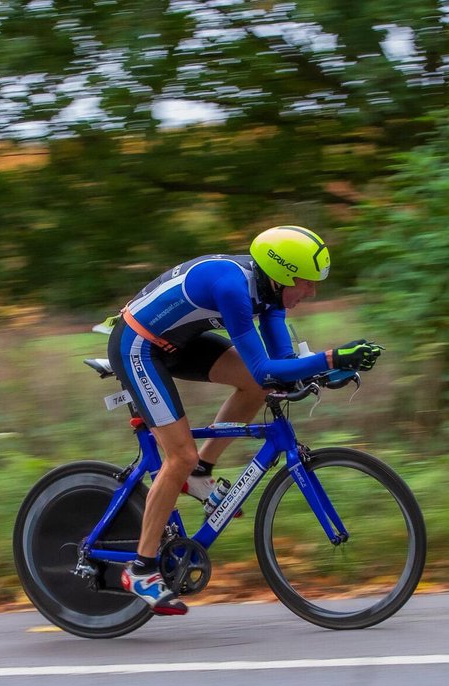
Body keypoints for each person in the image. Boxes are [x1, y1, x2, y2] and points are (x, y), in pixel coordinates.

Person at [106, 226, 382, 615]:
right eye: (306, 283)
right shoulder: (234, 288)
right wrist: (332, 358)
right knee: (177, 456)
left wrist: (329, 371)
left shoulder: (271, 295)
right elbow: (264, 366)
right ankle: (141, 568)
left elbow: (280, 368)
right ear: (283, 275)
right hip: (138, 347)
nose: (312, 292)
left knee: (256, 388)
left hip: (179, 343)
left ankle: (201, 471)